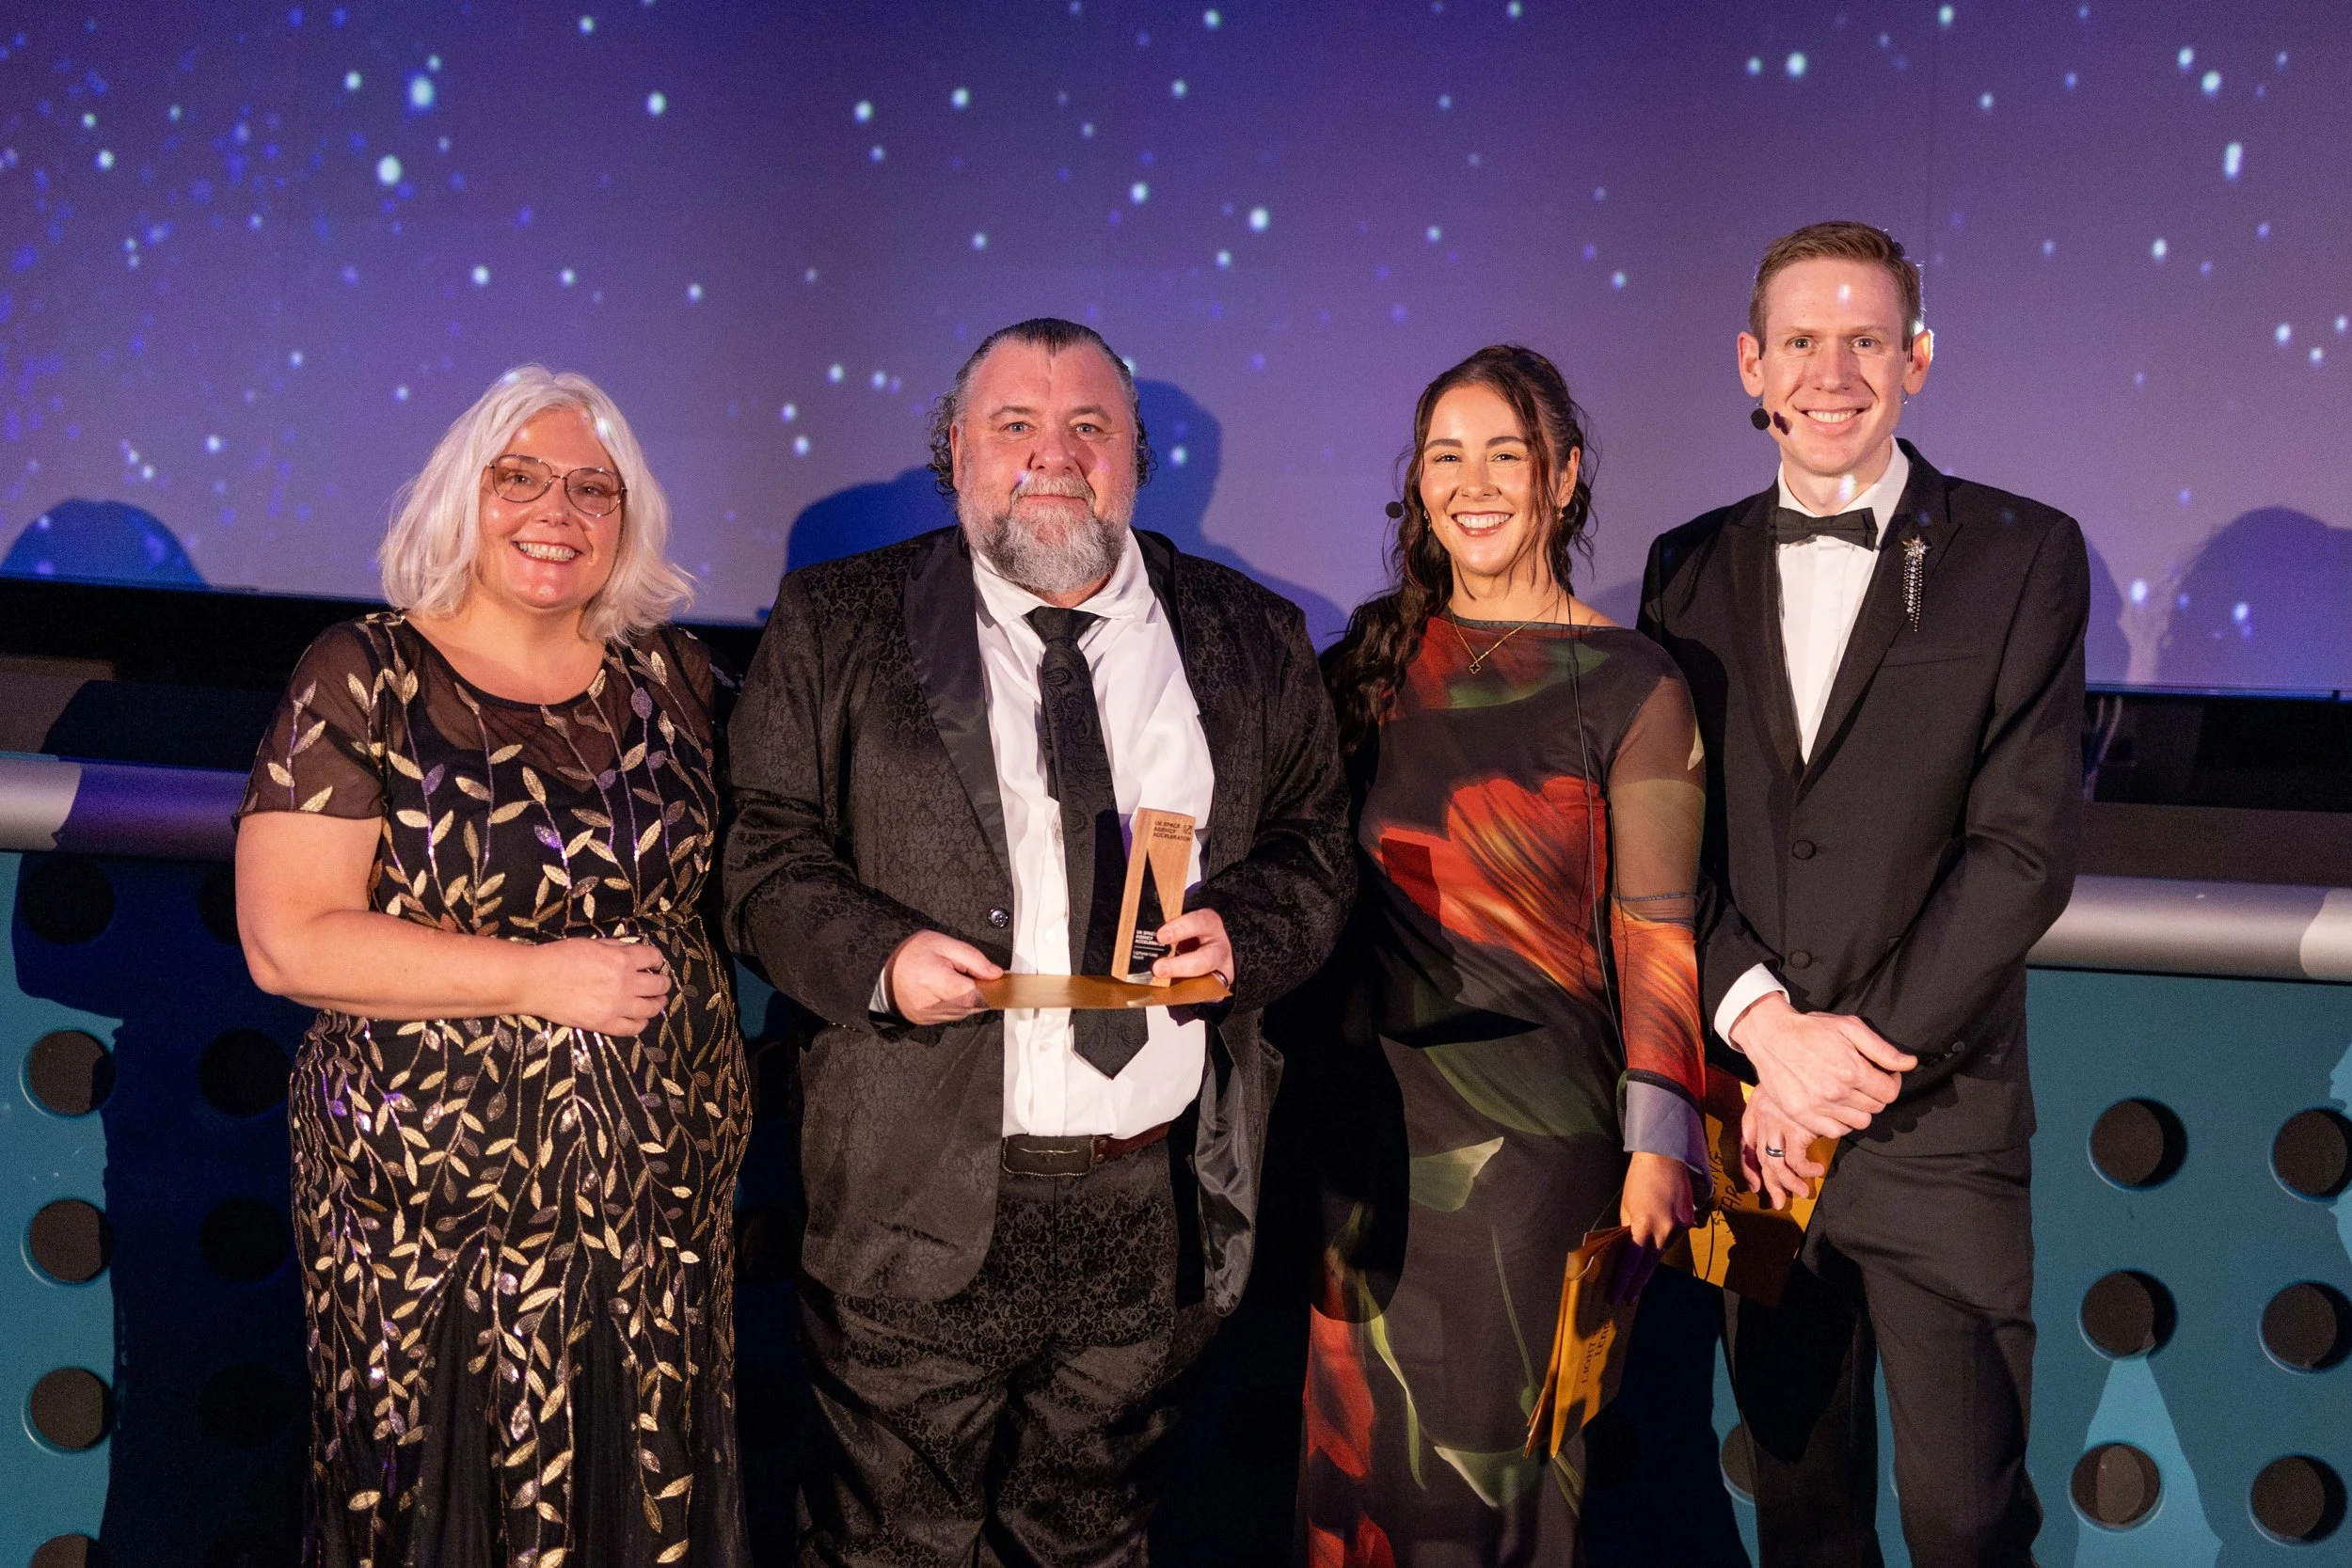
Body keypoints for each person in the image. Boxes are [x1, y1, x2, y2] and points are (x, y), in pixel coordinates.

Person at [723, 316, 1354, 1565]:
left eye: (1088, 427)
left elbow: (1316, 844)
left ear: (1136, 457)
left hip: (1153, 1196)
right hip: (917, 1184)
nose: (1051, 455)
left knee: (1090, 1540)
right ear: (954, 449)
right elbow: (762, 849)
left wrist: (1251, 932)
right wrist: (880, 958)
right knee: (888, 1542)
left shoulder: (1248, 635)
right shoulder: (838, 619)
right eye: (1015, 424)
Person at [234, 368, 750, 1566]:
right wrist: (536, 979)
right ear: (459, 495)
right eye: (516, 477)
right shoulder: (365, 672)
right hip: (432, 1231)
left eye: (590, 487)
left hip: (655, 1228)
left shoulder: (668, 679)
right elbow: (286, 938)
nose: (554, 511)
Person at [1639, 220, 2087, 1566]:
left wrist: (1852, 1061)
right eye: (1801, 341)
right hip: (1755, 1131)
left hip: (1934, 1123)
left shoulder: (2024, 555)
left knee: (1964, 1517)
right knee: (1802, 1504)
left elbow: (2022, 853)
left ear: (1919, 360)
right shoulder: (1683, 566)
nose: (1834, 372)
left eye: (1867, 340)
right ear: (1751, 363)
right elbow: (1666, 843)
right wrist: (1766, 1030)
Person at [1301, 344, 1706, 1563]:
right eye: (1445, 456)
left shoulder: (1635, 682)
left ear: (1565, 478)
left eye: (1507, 454)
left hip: (1532, 1152)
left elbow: (1657, 926)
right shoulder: (1365, 665)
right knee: (1357, 1476)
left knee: (1493, 1481)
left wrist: (1658, 1142)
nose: (1473, 483)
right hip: (1363, 1140)